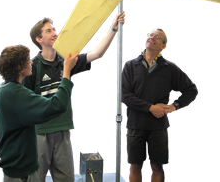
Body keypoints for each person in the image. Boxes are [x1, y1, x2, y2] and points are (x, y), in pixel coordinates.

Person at [23, 12, 125, 182]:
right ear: (38, 39)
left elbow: (97, 54)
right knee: (36, 179)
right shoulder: (32, 67)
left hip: (63, 130)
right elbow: (26, 106)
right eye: (49, 31)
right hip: (40, 133)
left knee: (66, 178)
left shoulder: (66, 61)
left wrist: (113, 28)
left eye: (54, 29)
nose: (55, 33)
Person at [121, 28, 198, 182]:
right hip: (136, 125)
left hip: (158, 127)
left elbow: (191, 90)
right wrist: (150, 107)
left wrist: (174, 106)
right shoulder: (131, 66)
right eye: (150, 35)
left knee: (157, 167)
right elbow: (124, 95)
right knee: (135, 166)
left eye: (157, 37)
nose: (152, 37)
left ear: (163, 46)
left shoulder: (169, 68)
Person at [0, 45, 79, 182]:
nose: (32, 62)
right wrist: (66, 72)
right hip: (22, 173)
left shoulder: (3, 89)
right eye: (28, 61)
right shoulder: (18, 94)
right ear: (19, 68)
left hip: (13, 167)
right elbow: (57, 105)